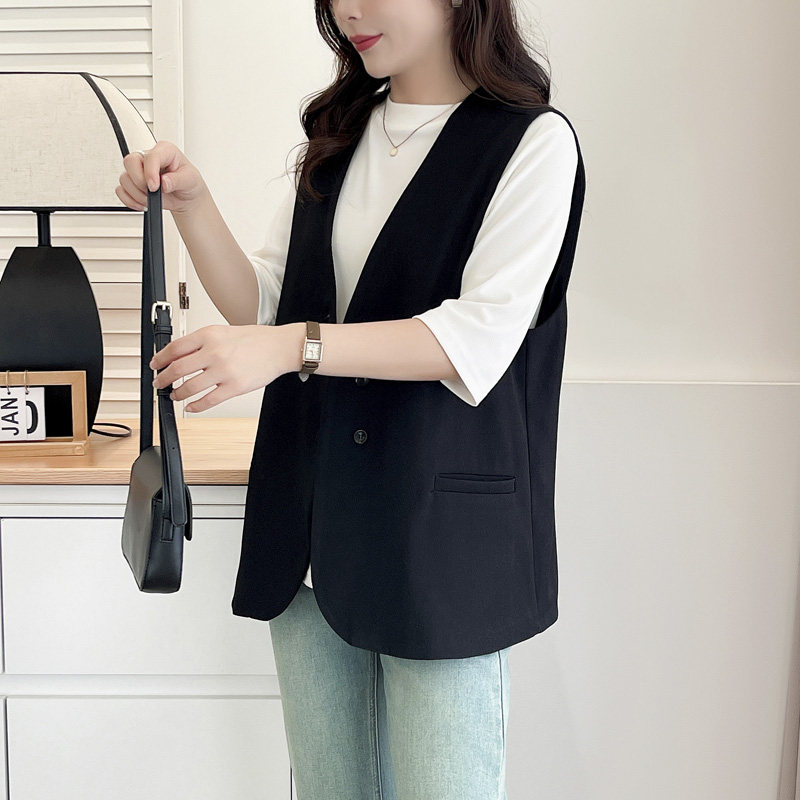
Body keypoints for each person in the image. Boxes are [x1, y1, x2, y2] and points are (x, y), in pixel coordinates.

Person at [117, 1, 585, 797]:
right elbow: (267, 303)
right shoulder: (343, 134)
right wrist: (192, 203)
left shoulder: (531, 142)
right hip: (308, 531)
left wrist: (293, 347)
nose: (348, 10)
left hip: (437, 543)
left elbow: (474, 337)